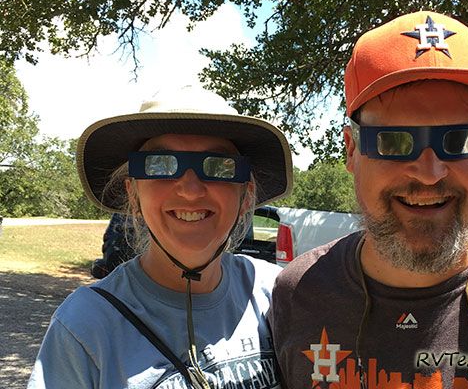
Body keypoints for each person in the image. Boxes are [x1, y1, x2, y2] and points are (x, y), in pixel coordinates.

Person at [269, 11, 468, 388]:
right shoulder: (298, 296)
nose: (429, 173)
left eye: (460, 140)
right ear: (350, 150)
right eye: (395, 141)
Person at [28, 86, 293, 388]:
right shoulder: (85, 326)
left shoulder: (279, 295)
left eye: (219, 167)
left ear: (246, 195)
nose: (190, 190)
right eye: (160, 164)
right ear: (134, 194)